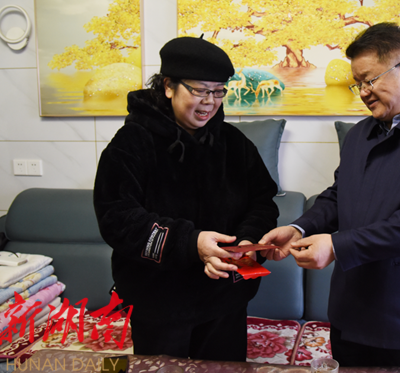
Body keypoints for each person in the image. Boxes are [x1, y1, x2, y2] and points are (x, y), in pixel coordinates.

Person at [260, 23, 400, 370]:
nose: (362, 92)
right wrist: (299, 228)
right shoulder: (360, 133)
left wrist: (336, 246)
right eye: (357, 83)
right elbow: (337, 195)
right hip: (352, 308)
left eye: (369, 80)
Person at [93, 36, 279, 361]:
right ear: (169, 86)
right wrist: (191, 243)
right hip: (158, 302)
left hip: (225, 298)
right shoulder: (131, 143)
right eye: (200, 90)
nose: (210, 102)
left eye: (219, 91)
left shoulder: (234, 144)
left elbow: (263, 202)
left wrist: (246, 242)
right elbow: (118, 219)